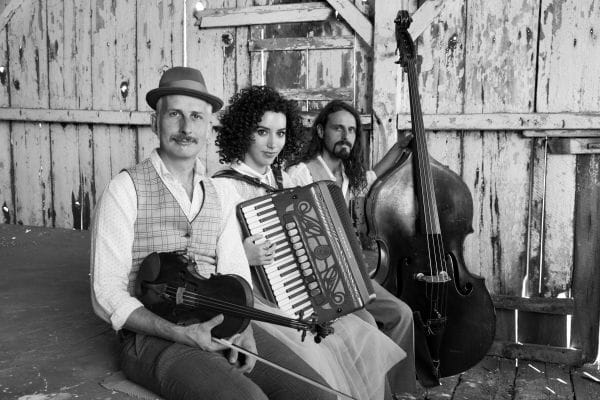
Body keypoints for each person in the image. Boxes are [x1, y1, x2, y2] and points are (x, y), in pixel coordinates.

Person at [90, 67, 357, 400]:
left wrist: (243, 328)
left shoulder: (220, 193)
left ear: (208, 126)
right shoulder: (124, 188)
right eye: (174, 114)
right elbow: (106, 293)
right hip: (151, 337)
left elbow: (234, 271)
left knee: (317, 396)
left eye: (196, 117)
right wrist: (177, 332)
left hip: (219, 320)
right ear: (155, 123)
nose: (186, 128)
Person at [212, 85, 406, 400]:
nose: (273, 143)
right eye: (262, 132)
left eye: (280, 133)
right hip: (257, 297)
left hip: (299, 286)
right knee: (327, 349)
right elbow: (207, 259)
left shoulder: (283, 180)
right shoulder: (222, 187)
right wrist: (243, 254)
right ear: (243, 132)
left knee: (363, 330)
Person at [286, 100, 417, 395]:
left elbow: (373, 175)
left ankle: (399, 392)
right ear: (321, 131)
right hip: (317, 279)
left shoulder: (349, 176)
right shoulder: (300, 174)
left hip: (351, 272)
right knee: (367, 324)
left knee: (401, 314)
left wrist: (400, 147)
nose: (345, 136)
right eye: (338, 128)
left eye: (352, 130)